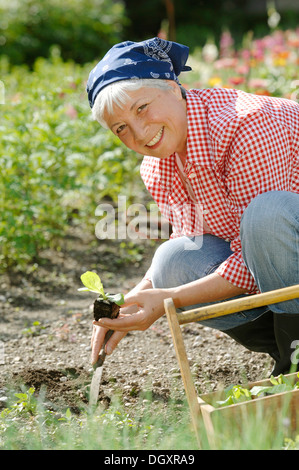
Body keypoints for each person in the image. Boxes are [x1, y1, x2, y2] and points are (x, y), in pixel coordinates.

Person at [86, 37, 299, 376]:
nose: (139, 133)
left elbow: (259, 245)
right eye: (121, 128)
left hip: (281, 239)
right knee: (173, 260)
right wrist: (125, 307)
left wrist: (170, 298)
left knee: (267, 215)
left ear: (172, 86)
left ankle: (295, 364)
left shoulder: (245, 124)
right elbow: (196, 240)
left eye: (142, 108)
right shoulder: (157, 166)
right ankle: (289, 356)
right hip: (283, 274)